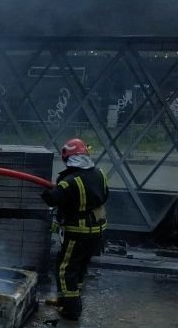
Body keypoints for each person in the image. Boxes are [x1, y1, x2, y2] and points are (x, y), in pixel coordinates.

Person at [41, 138, 109, 321]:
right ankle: (68, 299)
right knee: (79, 267)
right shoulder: (100, 173)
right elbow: (105, 195)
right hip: (97, 230)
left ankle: (71, 309)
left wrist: (45, 191)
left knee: (65, 268)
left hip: (78, 233)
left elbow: (52, 199)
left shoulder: (70, 181)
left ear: (68, 158)